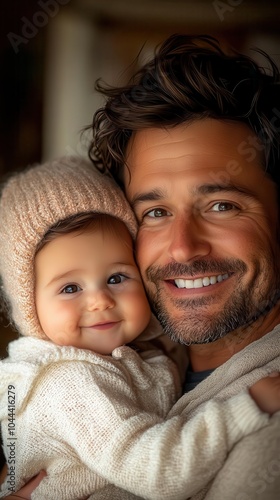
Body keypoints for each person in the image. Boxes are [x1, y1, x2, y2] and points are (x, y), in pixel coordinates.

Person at [1, 156, 277, 500]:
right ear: (30, 307)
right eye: (70, 288)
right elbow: (161, 474)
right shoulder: (70, 383)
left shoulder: (145, 350)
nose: (100, 301)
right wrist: (251, 404)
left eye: (116, 277)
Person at [86, 34, 280, 498]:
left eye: (221, 205)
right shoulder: (124, 370)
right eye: (155, 213)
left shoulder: (268, 442)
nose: (181, 249)